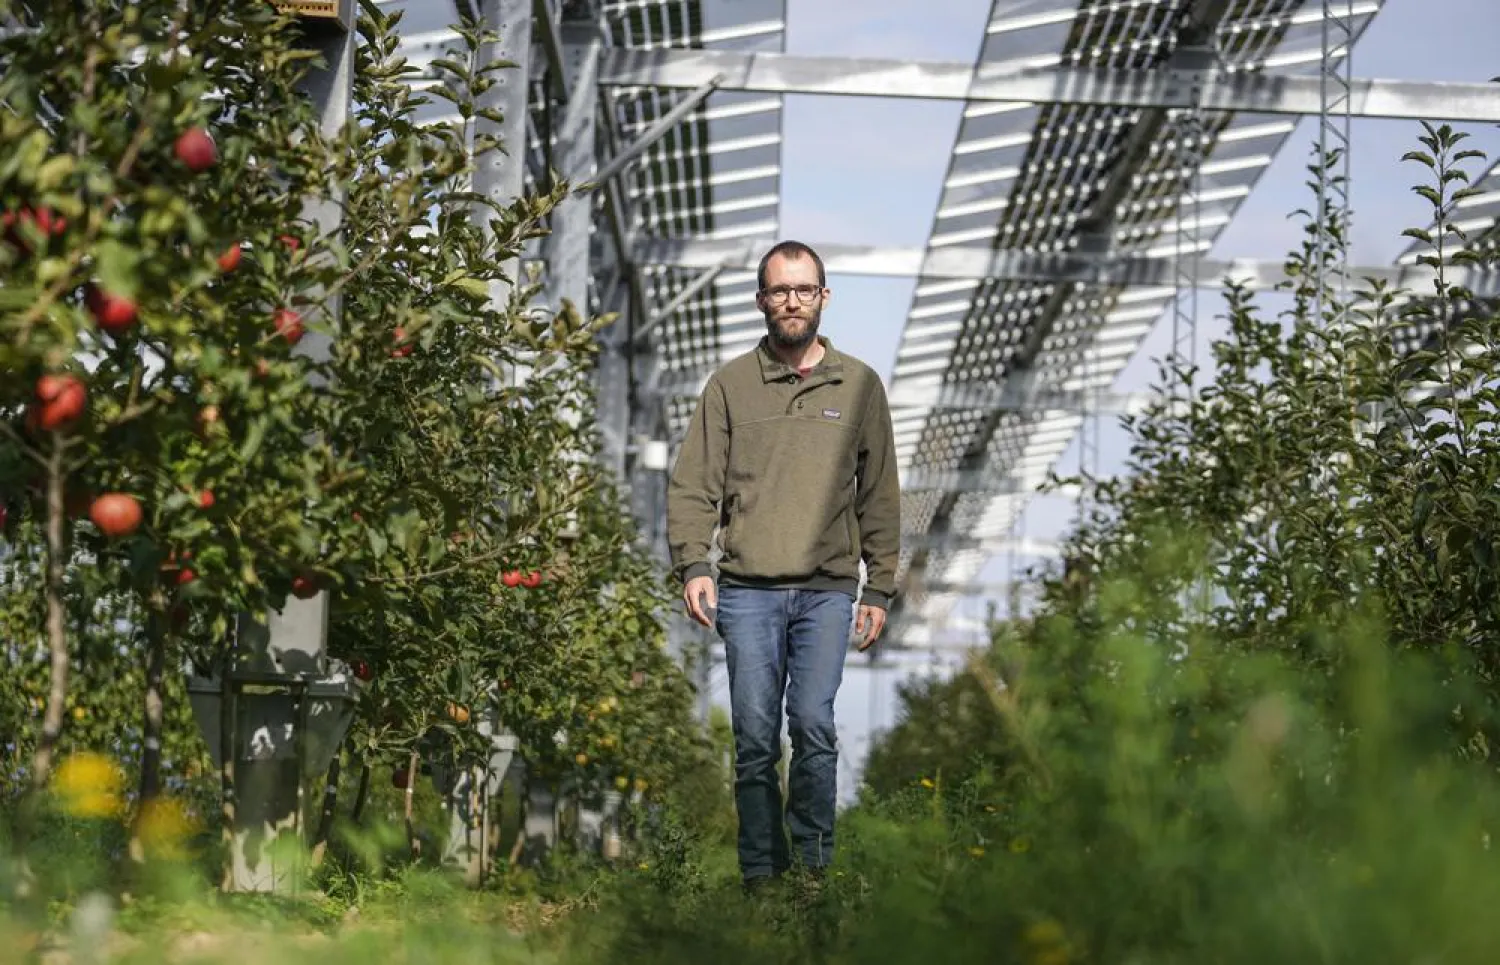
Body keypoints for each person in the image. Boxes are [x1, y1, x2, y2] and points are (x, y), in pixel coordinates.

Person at [665, 239, 902, 891]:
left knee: (814, 726)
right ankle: (763, 879)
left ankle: (813, 874)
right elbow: (692, 485)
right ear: (761, 300)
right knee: (755, 741)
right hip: (746, 592)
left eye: (803, 289)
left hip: (826, 591)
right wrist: (694, 564)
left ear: (824, 297)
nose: (791, 300)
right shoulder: (730, 386)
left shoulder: (859, 386)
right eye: (779, 290)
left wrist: (879, 584)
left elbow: (880, 491)